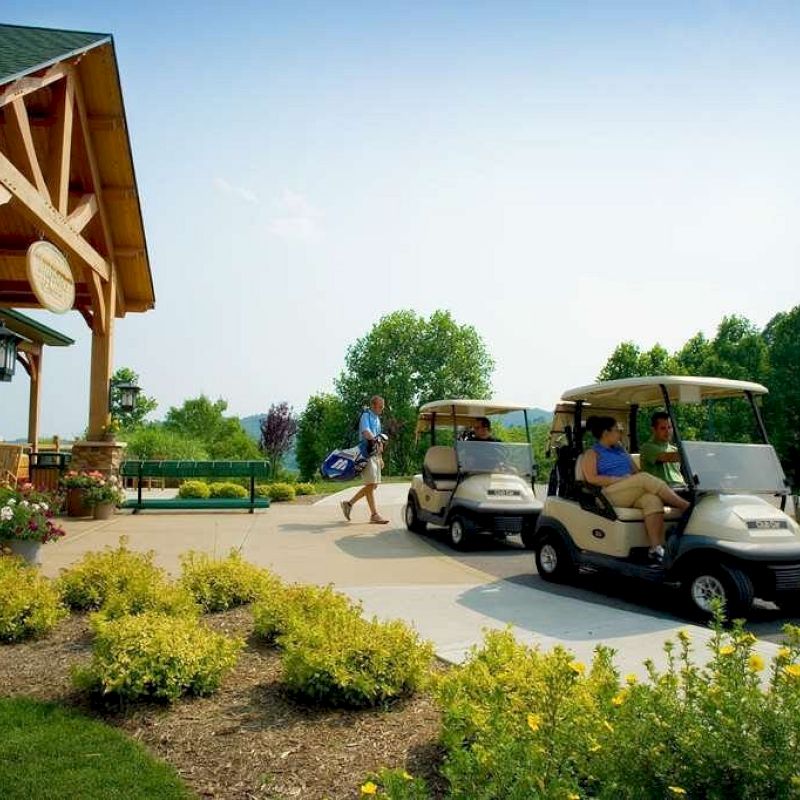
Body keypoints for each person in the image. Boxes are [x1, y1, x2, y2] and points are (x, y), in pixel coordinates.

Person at [581, 415, 690, 562]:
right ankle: (687, 507)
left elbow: (635, 472)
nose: (620, 433)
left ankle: (655, 548)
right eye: (617, 430)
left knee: (652, 500)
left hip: (627, 491)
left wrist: (633, 480)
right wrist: (619, 480)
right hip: (608, 494)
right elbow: (591, 478)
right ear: (606, 433)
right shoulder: (592, 453)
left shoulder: (620, 449)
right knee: (644, 478)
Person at [340, 396, 389, 524]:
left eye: (382, 407)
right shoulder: (366, 416)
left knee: (373, 485)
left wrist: (380, 457)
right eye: (380, 407)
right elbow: (366, 432)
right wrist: (376, 442)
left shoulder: (377, 419)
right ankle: (373, 514)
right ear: (373, 405)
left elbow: (378, 437)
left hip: (375, 454)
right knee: (371, 484)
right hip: (366, 453)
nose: (382, 409)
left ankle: (349, 504)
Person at [640, 411, 684, 487]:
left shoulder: (674, 449)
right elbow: (667, 457)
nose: (668, 431)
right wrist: (694, 454)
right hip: (661, 490)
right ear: (654, 430)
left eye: (669, 427)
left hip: (680, 487)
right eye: (663, 428)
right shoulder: (647, 447)